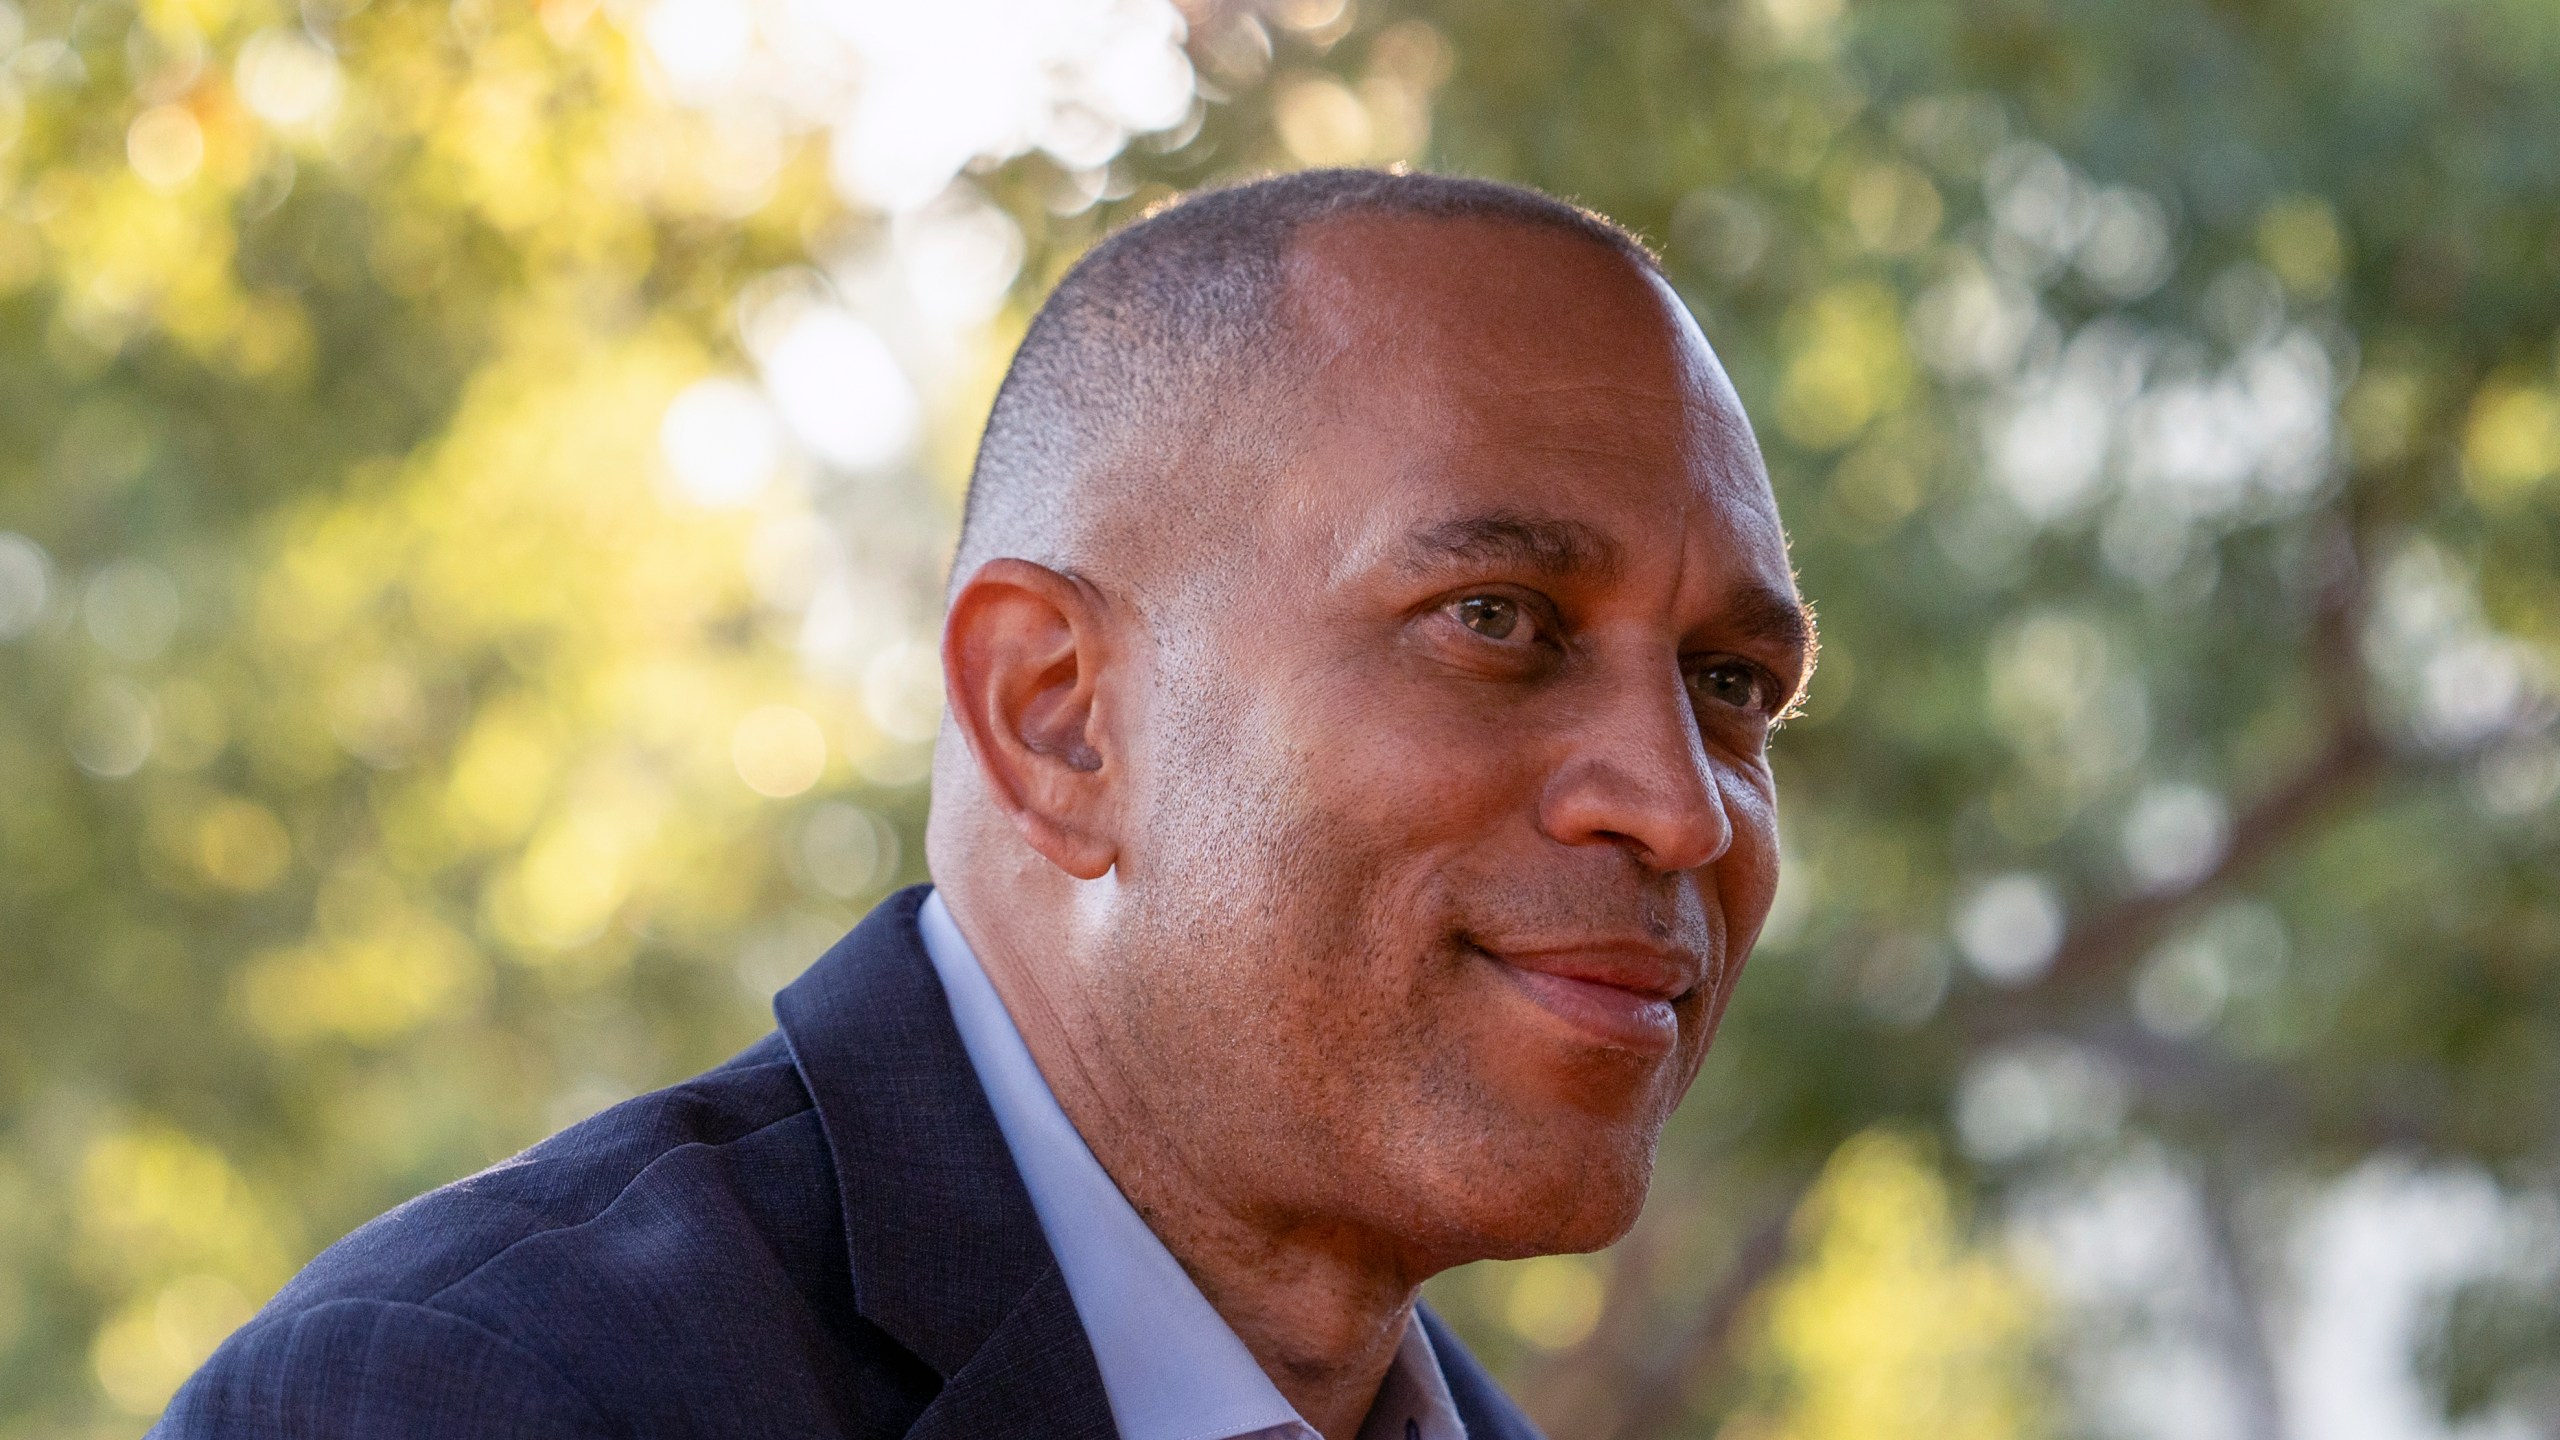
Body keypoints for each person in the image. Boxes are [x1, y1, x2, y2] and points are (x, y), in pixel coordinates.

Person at [155, 167, 1815, 1440]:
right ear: (1057, 720)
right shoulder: (483, 1394)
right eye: (1498, 622)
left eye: (1731, 684)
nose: (1679, 810)